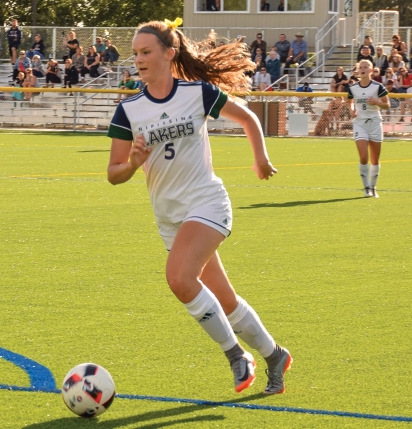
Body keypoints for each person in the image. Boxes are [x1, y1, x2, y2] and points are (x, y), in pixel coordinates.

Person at [105, 19, 289, 395]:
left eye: (146, 52)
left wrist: (260, 158)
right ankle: (275, 355)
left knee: (179, 279)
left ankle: (237, 355)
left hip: (207, 203)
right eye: (135, 54)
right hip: (170, 218)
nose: (138, 60)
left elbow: (249, 118)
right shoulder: (129, 111)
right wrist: (134, 164)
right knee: (224, 299)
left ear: (169, 54)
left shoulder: (197, 94)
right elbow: (113, 173)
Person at [345, 59, 391, 198]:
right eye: (361, 67)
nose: (363, 69)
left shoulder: (378, 87)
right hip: (360, 123)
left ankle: (373, 187)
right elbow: (349, 102)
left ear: (371, 71)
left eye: (366, 67)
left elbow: (387, 104)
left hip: (375, 123)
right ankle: (366, 187)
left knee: (375, 159)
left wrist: (376, 102)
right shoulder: (353, 88)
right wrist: (351, 110)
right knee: (364, 156)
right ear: (358, 71)